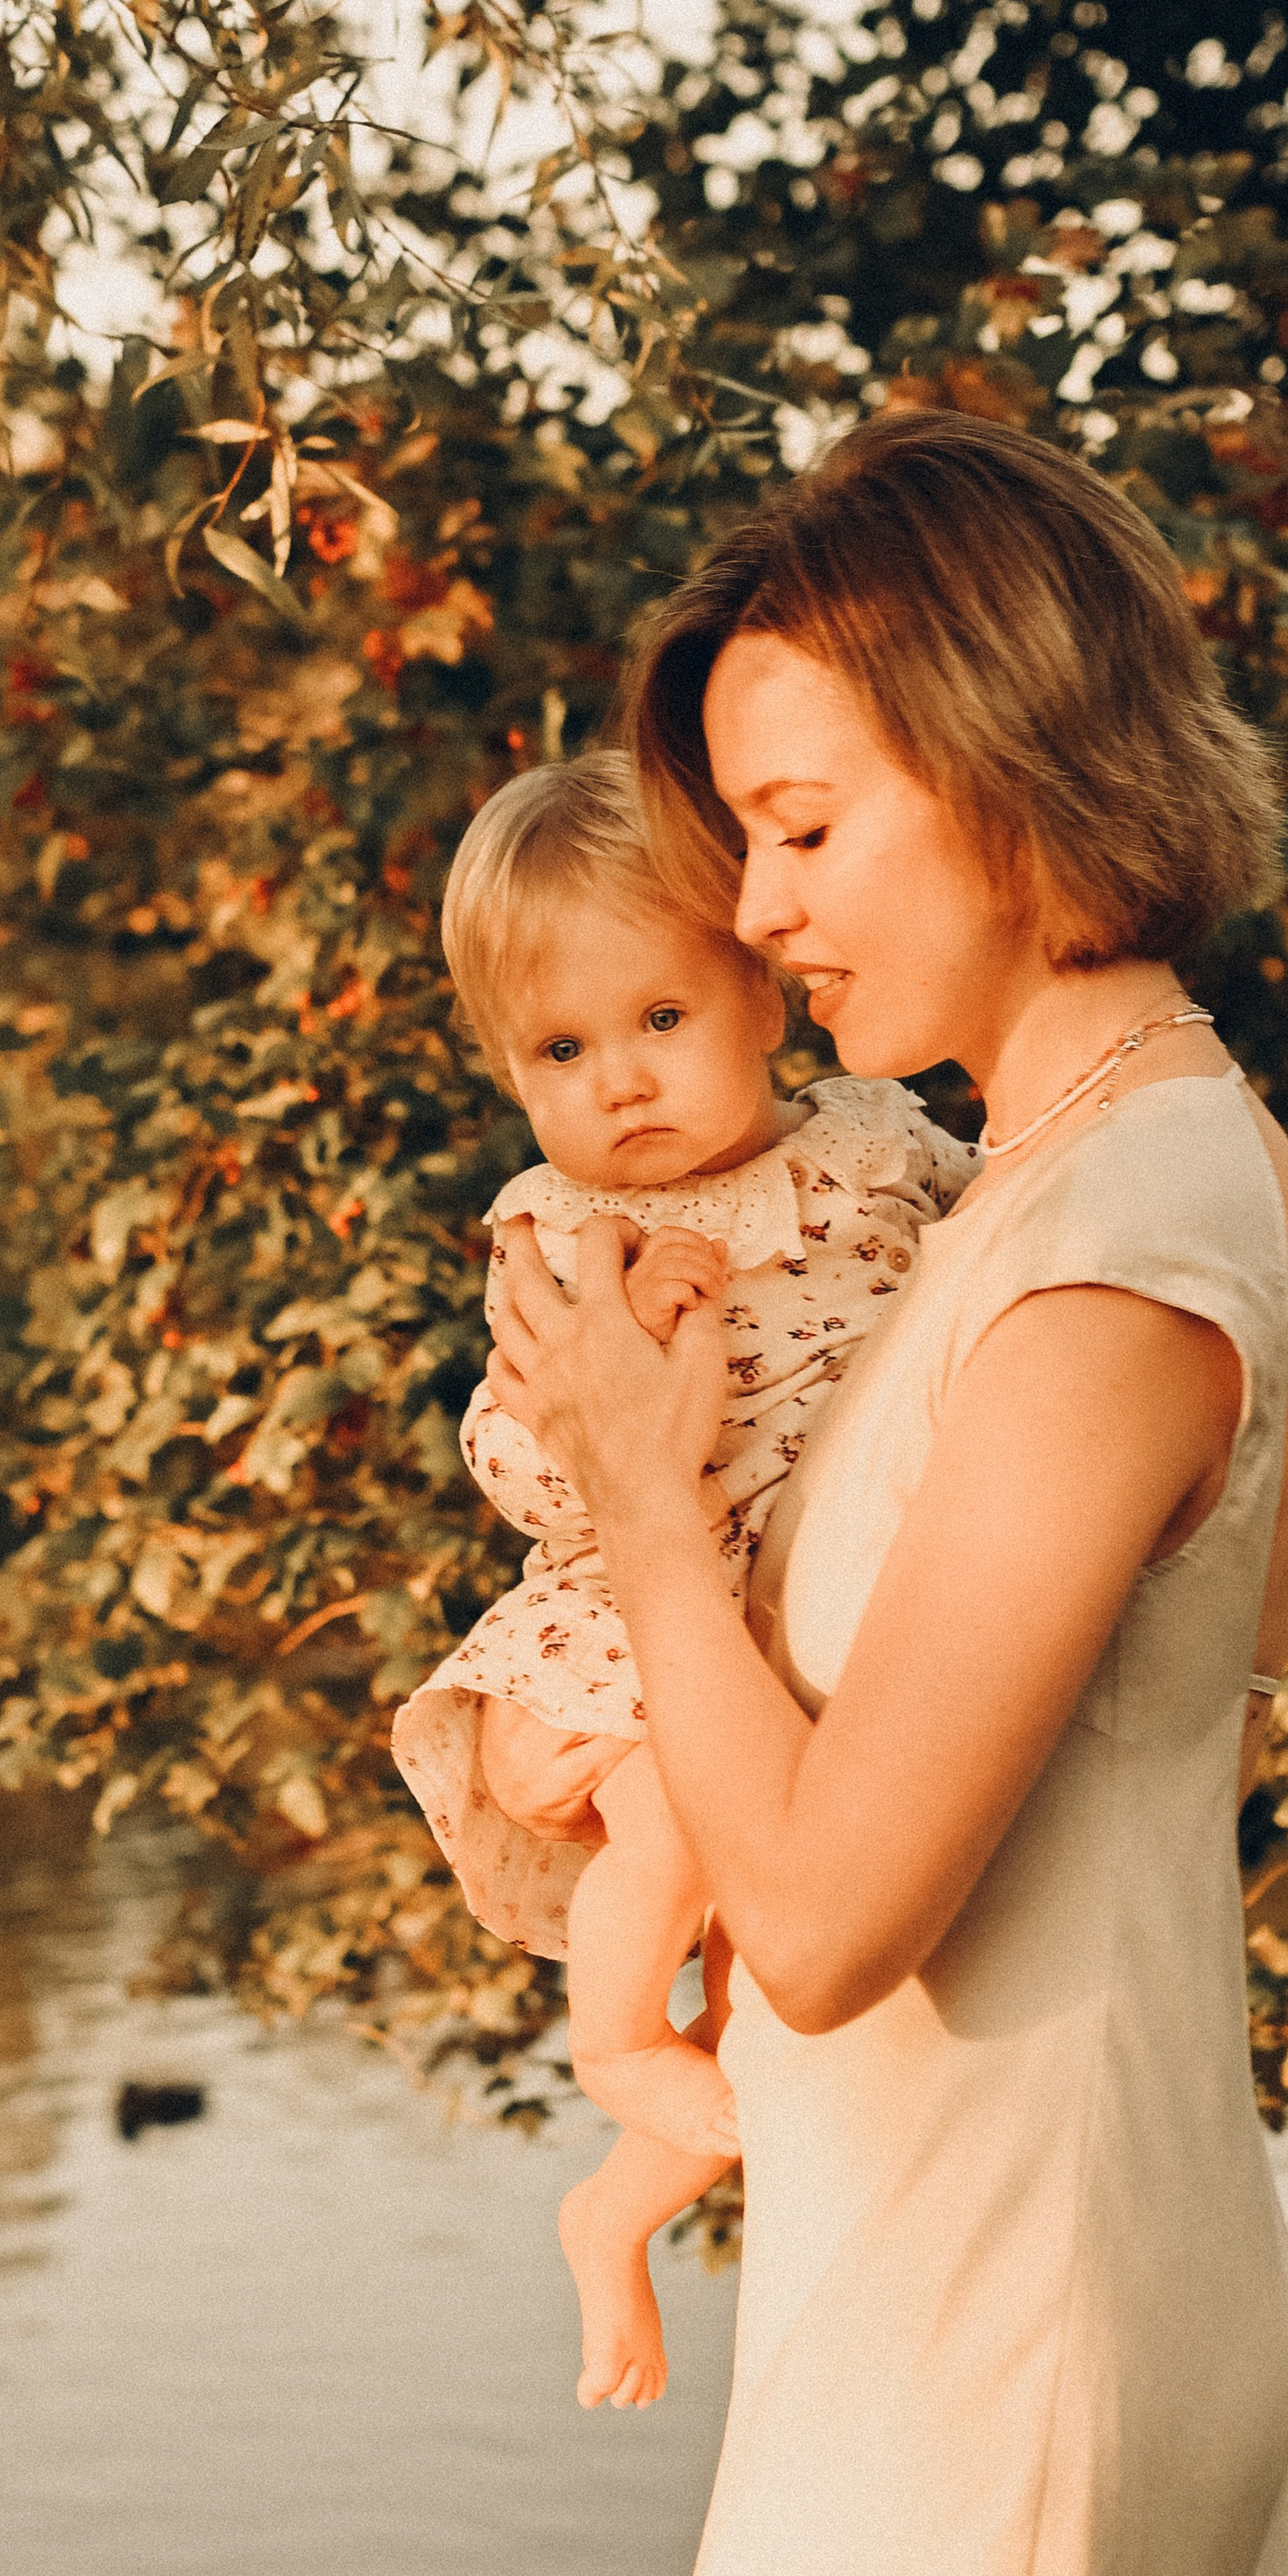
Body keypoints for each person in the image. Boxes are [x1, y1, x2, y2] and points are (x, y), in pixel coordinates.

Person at [481, 409, 1288, 2576]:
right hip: (953, 2283)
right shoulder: (1057, 1189)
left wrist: (644, 1501)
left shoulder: (1115, 1250)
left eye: (800, 827)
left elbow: (829, 1918)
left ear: (1009, 765)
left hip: (1010, 2334)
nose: (755, 914)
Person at [392, 751, 972, 2406]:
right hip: (648, 1613)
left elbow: (989, 1237)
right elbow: (514, 1459)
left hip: (812, 1615)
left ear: (762, 991)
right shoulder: (565, 1232)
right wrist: (605, 1378)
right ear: (511, 1070)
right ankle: (615, 2037)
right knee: (669, 1817)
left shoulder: (871, 1139)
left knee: (778, 1987)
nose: (624, 1083)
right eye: (563, 1052)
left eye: (660, 1017)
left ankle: (616, 2213)